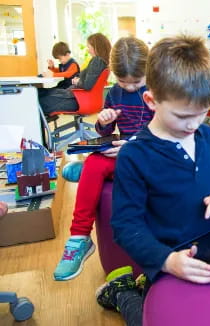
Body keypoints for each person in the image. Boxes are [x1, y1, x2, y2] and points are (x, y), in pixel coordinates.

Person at [95, 34, 210, 325]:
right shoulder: (134, 156)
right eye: (181, 116)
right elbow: (126, 227)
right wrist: (166, 260)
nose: (193, 125)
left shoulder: (208, 137)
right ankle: (124, 292)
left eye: (202, 113)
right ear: (151, 101)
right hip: (168, 263)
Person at [53, 37, 153, 281]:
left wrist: (131, 146)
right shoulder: (115, 93)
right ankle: (79, 238)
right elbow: (105, 133)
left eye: (136, 82)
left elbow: (167, 132)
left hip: (151, 153)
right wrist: (104, 122)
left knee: (97, 166)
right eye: (122, 81)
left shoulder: (160, 91)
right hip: (123, 149)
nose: (129, 88)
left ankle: (88, 172)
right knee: (97, 160)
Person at [39, 33, 111, 115]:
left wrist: (77, 81)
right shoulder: (101, 62)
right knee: (40, 93)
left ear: (96, 47)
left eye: (89, 47)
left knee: (39, 99)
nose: (88, 50)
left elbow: (87, 85)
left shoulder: (97, 61)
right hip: (77, 96)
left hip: (77, 99)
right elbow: (89, 82)